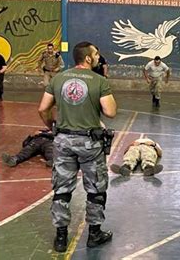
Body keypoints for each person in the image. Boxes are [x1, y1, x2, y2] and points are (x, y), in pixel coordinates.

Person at [38, 41, 117, 252]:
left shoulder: (59, 78)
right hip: (90, 143)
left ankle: (61, 238)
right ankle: (94, 234)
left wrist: (53, 126)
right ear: (88, 58)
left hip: (63, 141)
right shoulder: (99, 81)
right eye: (96, 53)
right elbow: (110, 112)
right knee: (96, 189)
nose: (99, 57)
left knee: (62, 189)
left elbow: (43, 109)